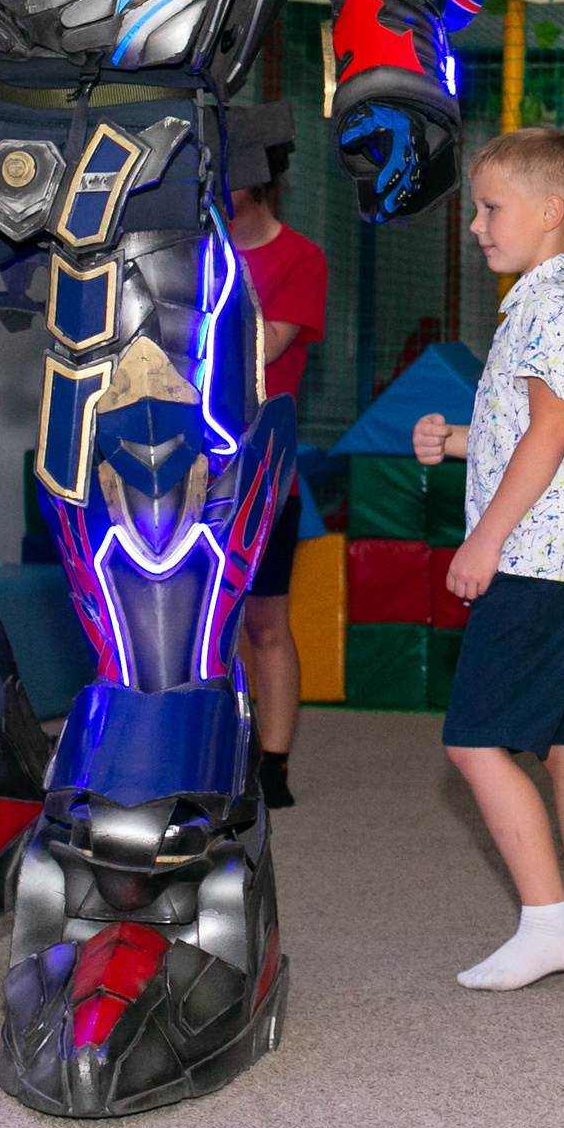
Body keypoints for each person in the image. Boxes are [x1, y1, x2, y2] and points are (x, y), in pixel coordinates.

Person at [412, 127, 564, 991]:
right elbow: (542, 437)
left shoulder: (548, 307)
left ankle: (547, 921)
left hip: (532, 558)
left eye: (490, 208)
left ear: (549, 212)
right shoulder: (553, 300)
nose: (476, 225)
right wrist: (460, 440)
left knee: (473, 742)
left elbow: (553, 433)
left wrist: (485, 538)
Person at [227, 99, 328, 811]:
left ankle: (274, 763)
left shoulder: (299, 258)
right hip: (189, 467)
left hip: (264, 471)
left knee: (264, 620)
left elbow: (261, 354)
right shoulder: (189, 250)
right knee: (202, 626)